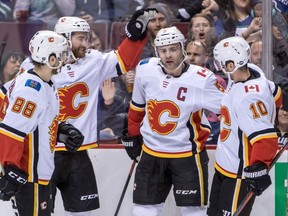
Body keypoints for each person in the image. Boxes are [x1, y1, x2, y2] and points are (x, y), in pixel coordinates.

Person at [19, 9, 158, 216]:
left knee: (82, 213)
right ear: (64, 39)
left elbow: (123, 60)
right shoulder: (34, 65)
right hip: (42, 151)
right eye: (81, 38)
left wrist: (135, 35)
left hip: (78, 151)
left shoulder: (93, 60)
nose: (87, 43)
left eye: (88, 38)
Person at [121, 26, 225, 216]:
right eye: (163, 50)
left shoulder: (202, 79)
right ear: (156, 51)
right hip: (151, 153)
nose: (168, 55)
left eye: (173, 49)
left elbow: (228, 111)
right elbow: (137, 108)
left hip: (187, 154)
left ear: (182, 49)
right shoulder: (145, 69)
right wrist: (133, 138)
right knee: (143, 211)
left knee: (194, 212)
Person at [0, 30, 84, 216]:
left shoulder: (44, 81)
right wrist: (11, 170)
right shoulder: (32, 89)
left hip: (38, 173)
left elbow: (37, 122)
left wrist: (61, 131)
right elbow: (11, 130)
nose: (66, 58)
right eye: (62, 54)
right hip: (30, 175)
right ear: (51, 59)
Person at [207, 36, 279, 216]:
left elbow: (266, 139)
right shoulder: (252, 72)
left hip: (239, 174)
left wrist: (259, 168)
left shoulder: (247, 98)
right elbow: (277, 95)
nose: (219, 66)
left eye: (221, 63)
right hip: (225, 166)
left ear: (231, 65)